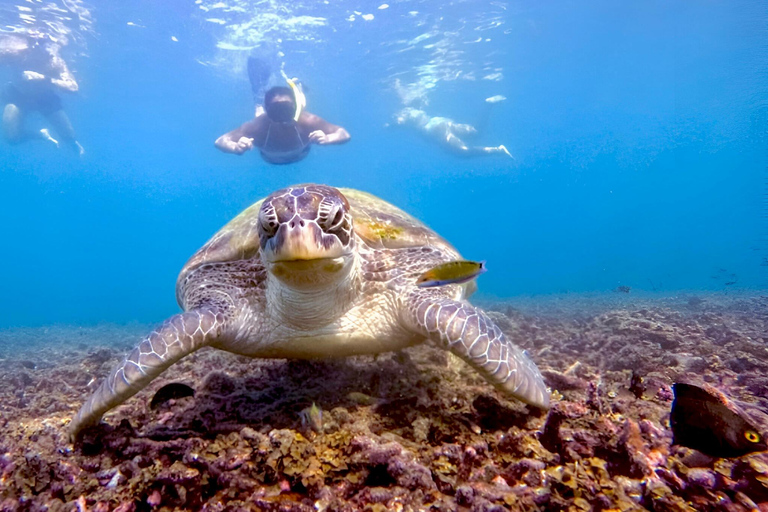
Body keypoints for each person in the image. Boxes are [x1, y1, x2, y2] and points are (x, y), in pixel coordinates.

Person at [215, 58, 350, 164]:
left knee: (301, 105)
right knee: (259, 113)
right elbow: (221, 141)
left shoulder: (308, 121)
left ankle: (298, 89)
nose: (282, 116)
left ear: (294, 108)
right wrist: (235, 147)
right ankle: (261, 102)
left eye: (286, 109)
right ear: (268, 111)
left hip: (295, 154)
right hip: (272, 157)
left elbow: (344, 134)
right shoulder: (257, 127)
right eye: (276, 110)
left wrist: (328, 138)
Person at [0, 33, 84, 155]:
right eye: (31, 40)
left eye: (41, 42)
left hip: (45, 98)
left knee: (69, 136)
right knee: (12, 138)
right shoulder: (17, 54)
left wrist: (42, 78)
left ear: (49, 44)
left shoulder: (55, 62)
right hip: (18, 95)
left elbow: (73, 87)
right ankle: (41, 135)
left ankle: (73, 144)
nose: (36, 45)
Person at [393, 106, 511, 158]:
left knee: (463, 152)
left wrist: (390, 125)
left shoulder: (404, 114)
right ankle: (488, 105)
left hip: (435, 130)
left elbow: (399, 121)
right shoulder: (416, 106)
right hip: (441, 121)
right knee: (476, 132)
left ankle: (498, 151)